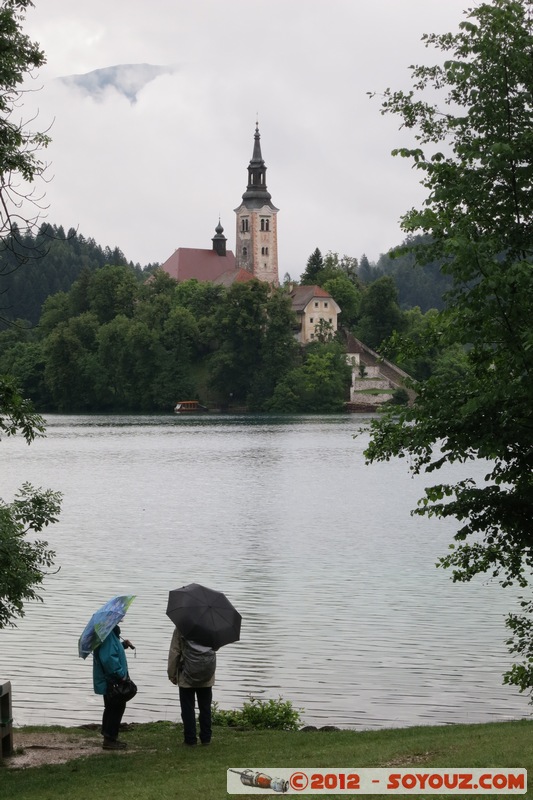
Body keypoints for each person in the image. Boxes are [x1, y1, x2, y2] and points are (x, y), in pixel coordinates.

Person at [167, 626, 215, 746]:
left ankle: (190, 740)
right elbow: (215, 648)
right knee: (205, 708)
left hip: (186, 675)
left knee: (188, 708)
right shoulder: (211, 626)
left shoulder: (181, 627)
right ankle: (206, 738)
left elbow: (175, 651)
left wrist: (171, 673)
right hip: (206, 675)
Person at [93, 624, 134, 750]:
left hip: (110, 680)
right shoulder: (108, 634)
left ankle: (108, 736)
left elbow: (110, 651)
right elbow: (108, 658)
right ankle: (109, 739)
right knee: (116, 707)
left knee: (112, 707)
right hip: (113, 680)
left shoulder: (108, 633)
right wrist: (121, 675)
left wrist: (122, 645)